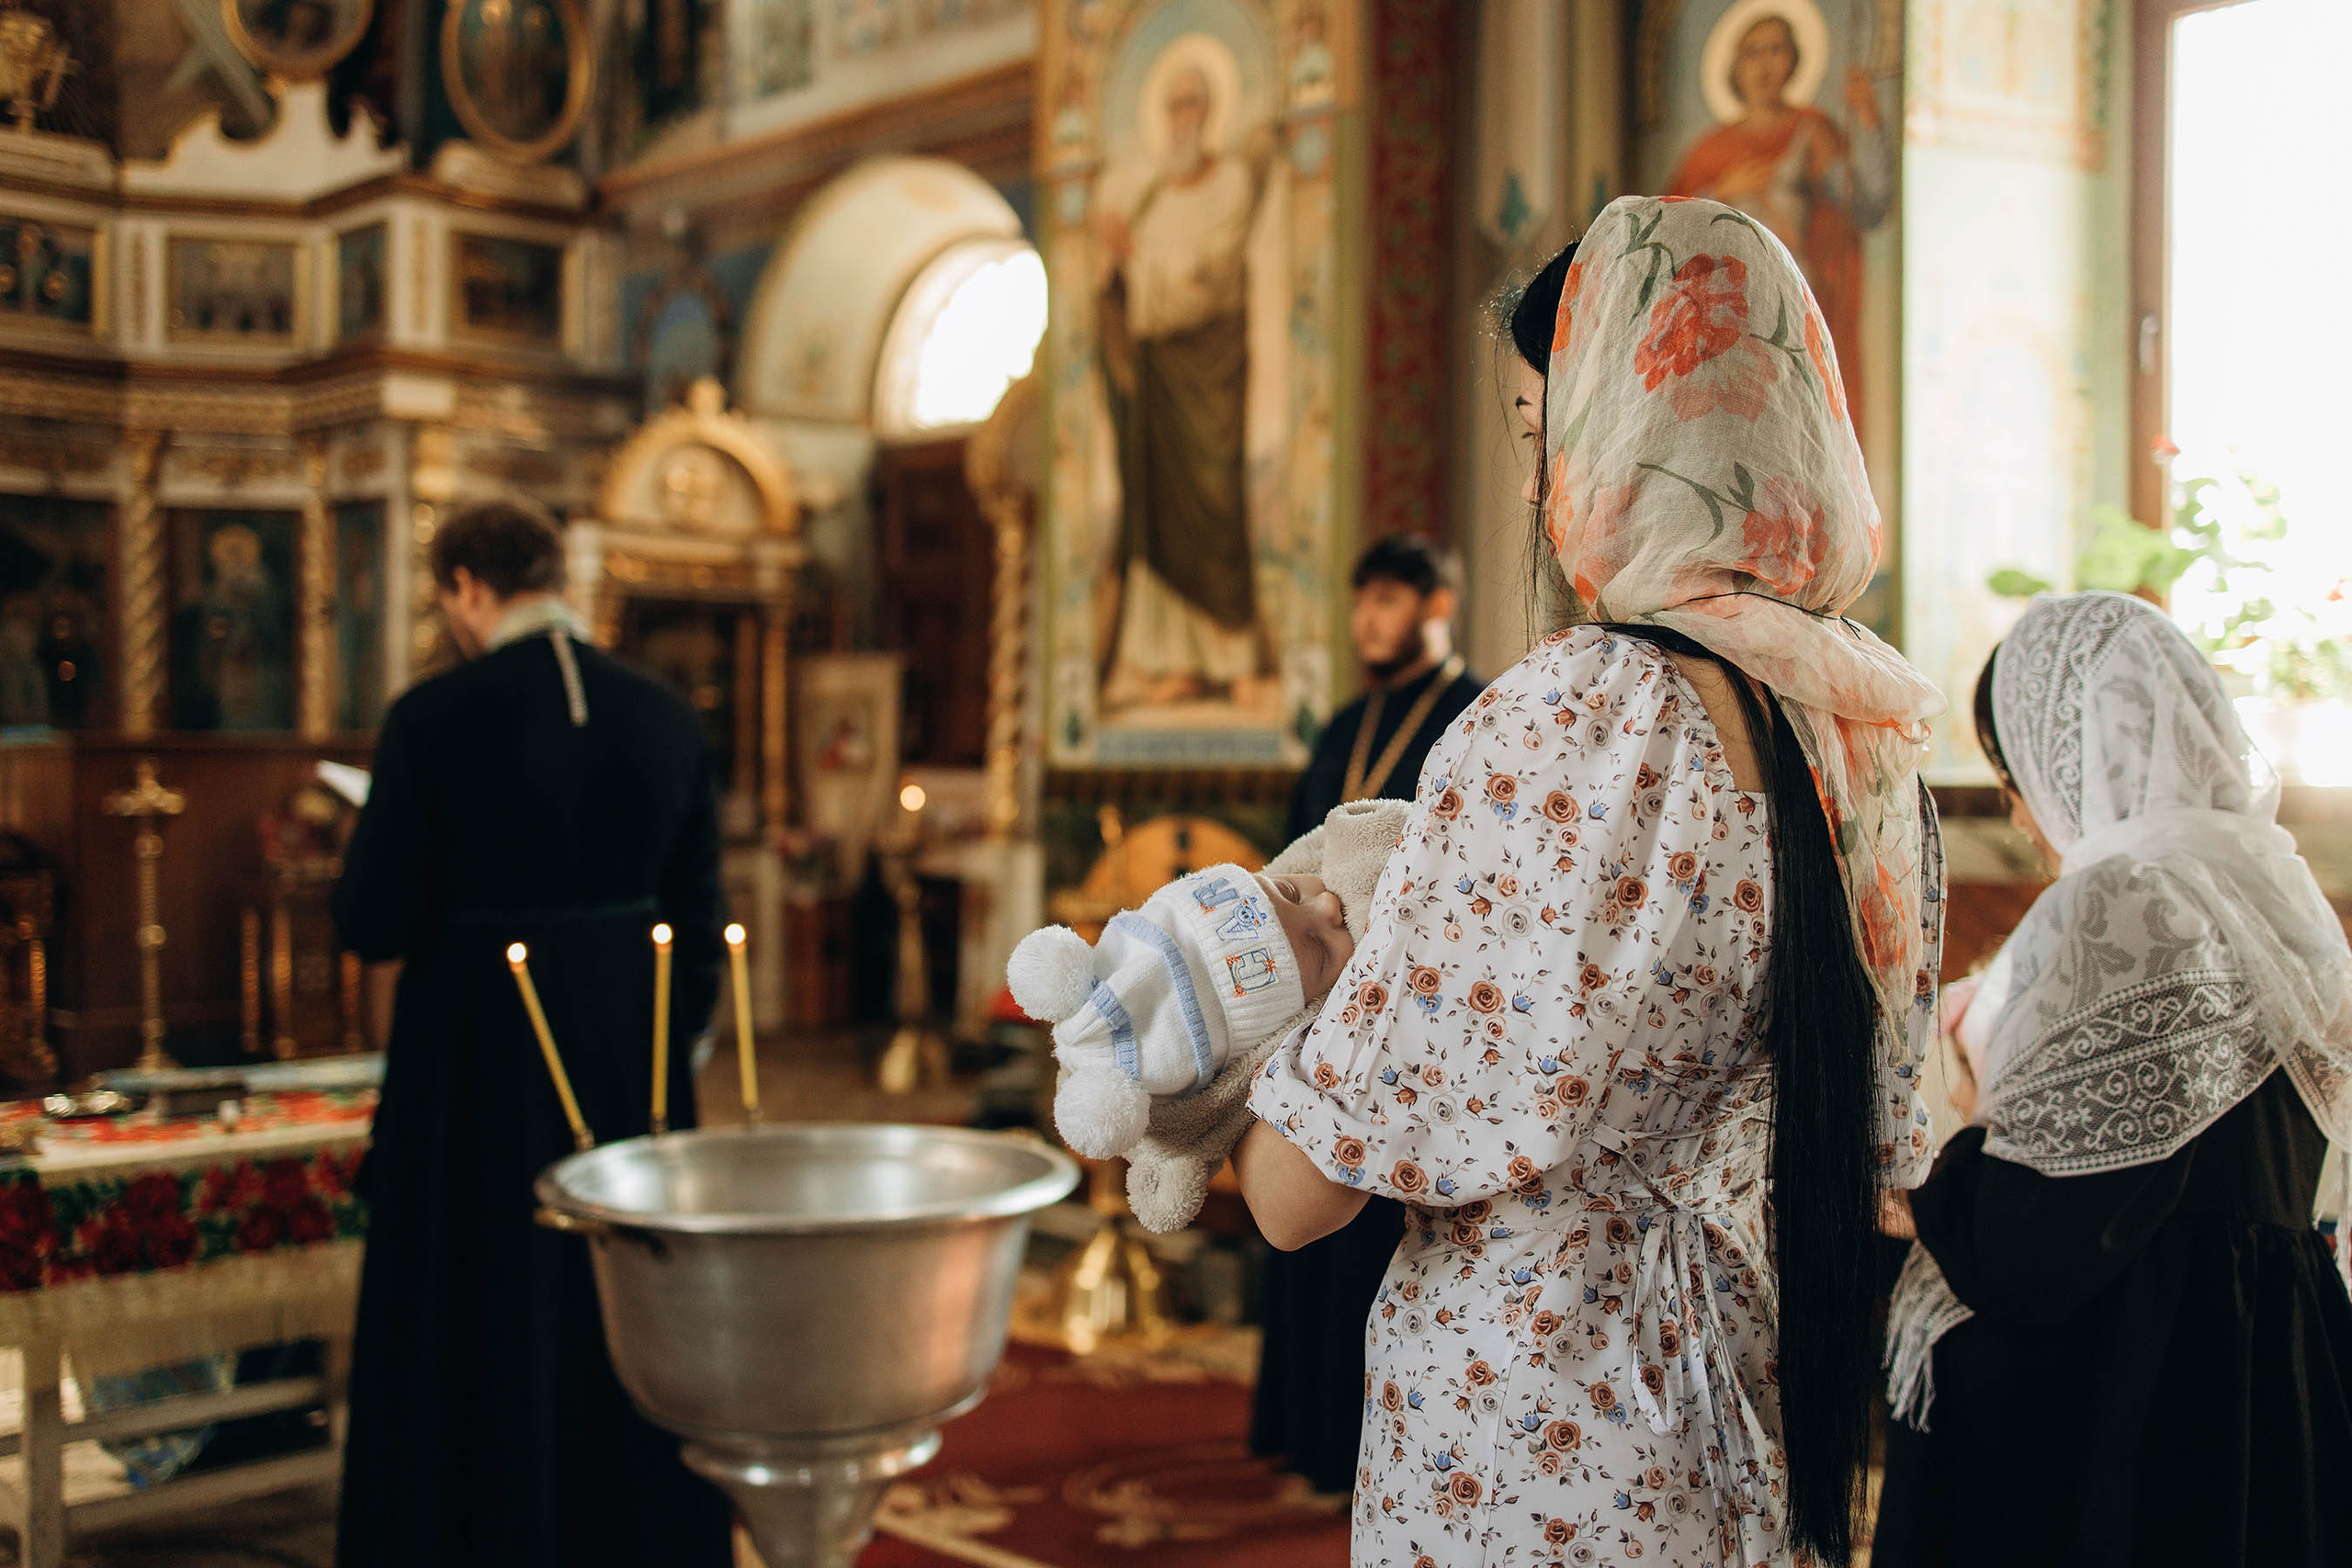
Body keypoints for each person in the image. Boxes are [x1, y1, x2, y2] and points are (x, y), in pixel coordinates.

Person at [1232, 197, 1946, 1565]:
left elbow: (1295, 1192)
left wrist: (1298, 985)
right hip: (1746, 1401)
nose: (1526, 486)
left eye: (1532, 432)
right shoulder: (1868, 729)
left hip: (1528, 1420)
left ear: (1637, 425)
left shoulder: (1583, 712)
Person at [1875, 592, 2352, 1568]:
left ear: (2069, 752)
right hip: (2276, 1358)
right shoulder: (2282, 890)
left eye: (2012, 777)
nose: (2019, 811)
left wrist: (1924, 1196)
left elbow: (2036, 1240)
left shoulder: (2120, 896)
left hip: (2139, 1377)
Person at [332, 500, 733, 1568]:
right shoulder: (666, 714)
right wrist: (656, 1034)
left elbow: (370, 918)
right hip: (630, 1065)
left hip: (473, 1072)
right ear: (556, 576)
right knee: (621, 1302)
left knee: (476, 1308)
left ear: (465, 585)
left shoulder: (430, 718)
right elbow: (702, 932)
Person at [1255, 532, 1483, 1496]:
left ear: (1437, 606)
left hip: (1412, 1020)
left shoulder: (1475, 717)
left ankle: (1366, 1451)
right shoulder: (1344, 724)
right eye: (1362, 602)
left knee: (1367, 1228)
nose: (1368, 621)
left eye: (1388, 601)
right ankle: (1308, 1437)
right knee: (1304, 1219)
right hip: (1318, 1005)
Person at [1096, 57, 1269, 709]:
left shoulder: (1227, 184)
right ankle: (1173, 659)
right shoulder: (1152, 196)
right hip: (1156, 376)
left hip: (1209, 367)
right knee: (1158, 512)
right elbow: (1117, 294)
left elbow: (1212, 274)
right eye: (1173, 107)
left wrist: (1138, 258)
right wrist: (1115, 263)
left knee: (1214, 502)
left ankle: (1233, 653)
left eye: (1193, 104)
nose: (1182, 119)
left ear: (1211, 112)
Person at [1667, 11, 1890, 437]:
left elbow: (1866, 207)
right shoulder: (1707, 153)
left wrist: (1869, 123)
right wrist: (1724, 193)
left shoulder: (1812, 133)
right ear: (1735, 66)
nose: (1765, 64)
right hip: (1728, 309)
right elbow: (1668, 237)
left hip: (1795, 288)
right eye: (1753, 53)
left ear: (1794, 60)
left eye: (1776, 49)